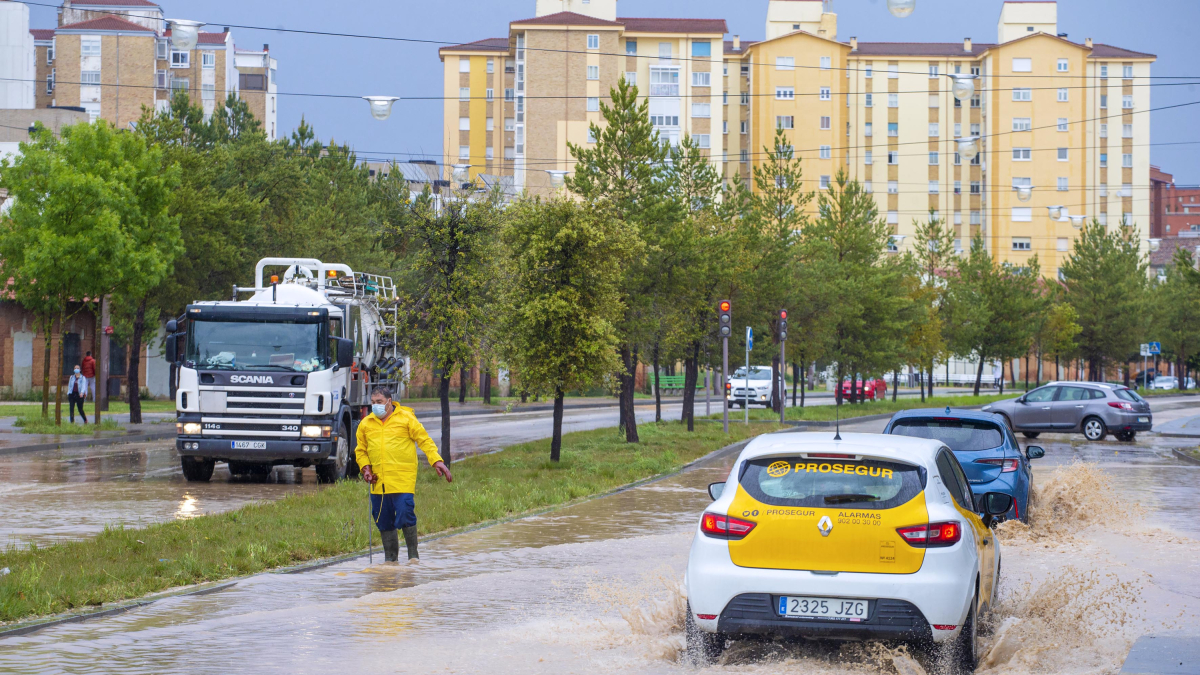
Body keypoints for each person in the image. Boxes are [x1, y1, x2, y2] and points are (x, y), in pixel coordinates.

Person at [355, 385, 453, 564]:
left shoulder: (406, 418)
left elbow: (424, 440)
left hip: (402, 481)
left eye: (380, 402)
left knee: (405, 514)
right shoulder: (366, 424)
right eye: (373, 403)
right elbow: (360, 450)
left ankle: (413, 558)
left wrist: (436, 461)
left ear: (389, 402)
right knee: (383, 520)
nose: (376, 406)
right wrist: (366, 469)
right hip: (378, 484)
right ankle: (390, 561)